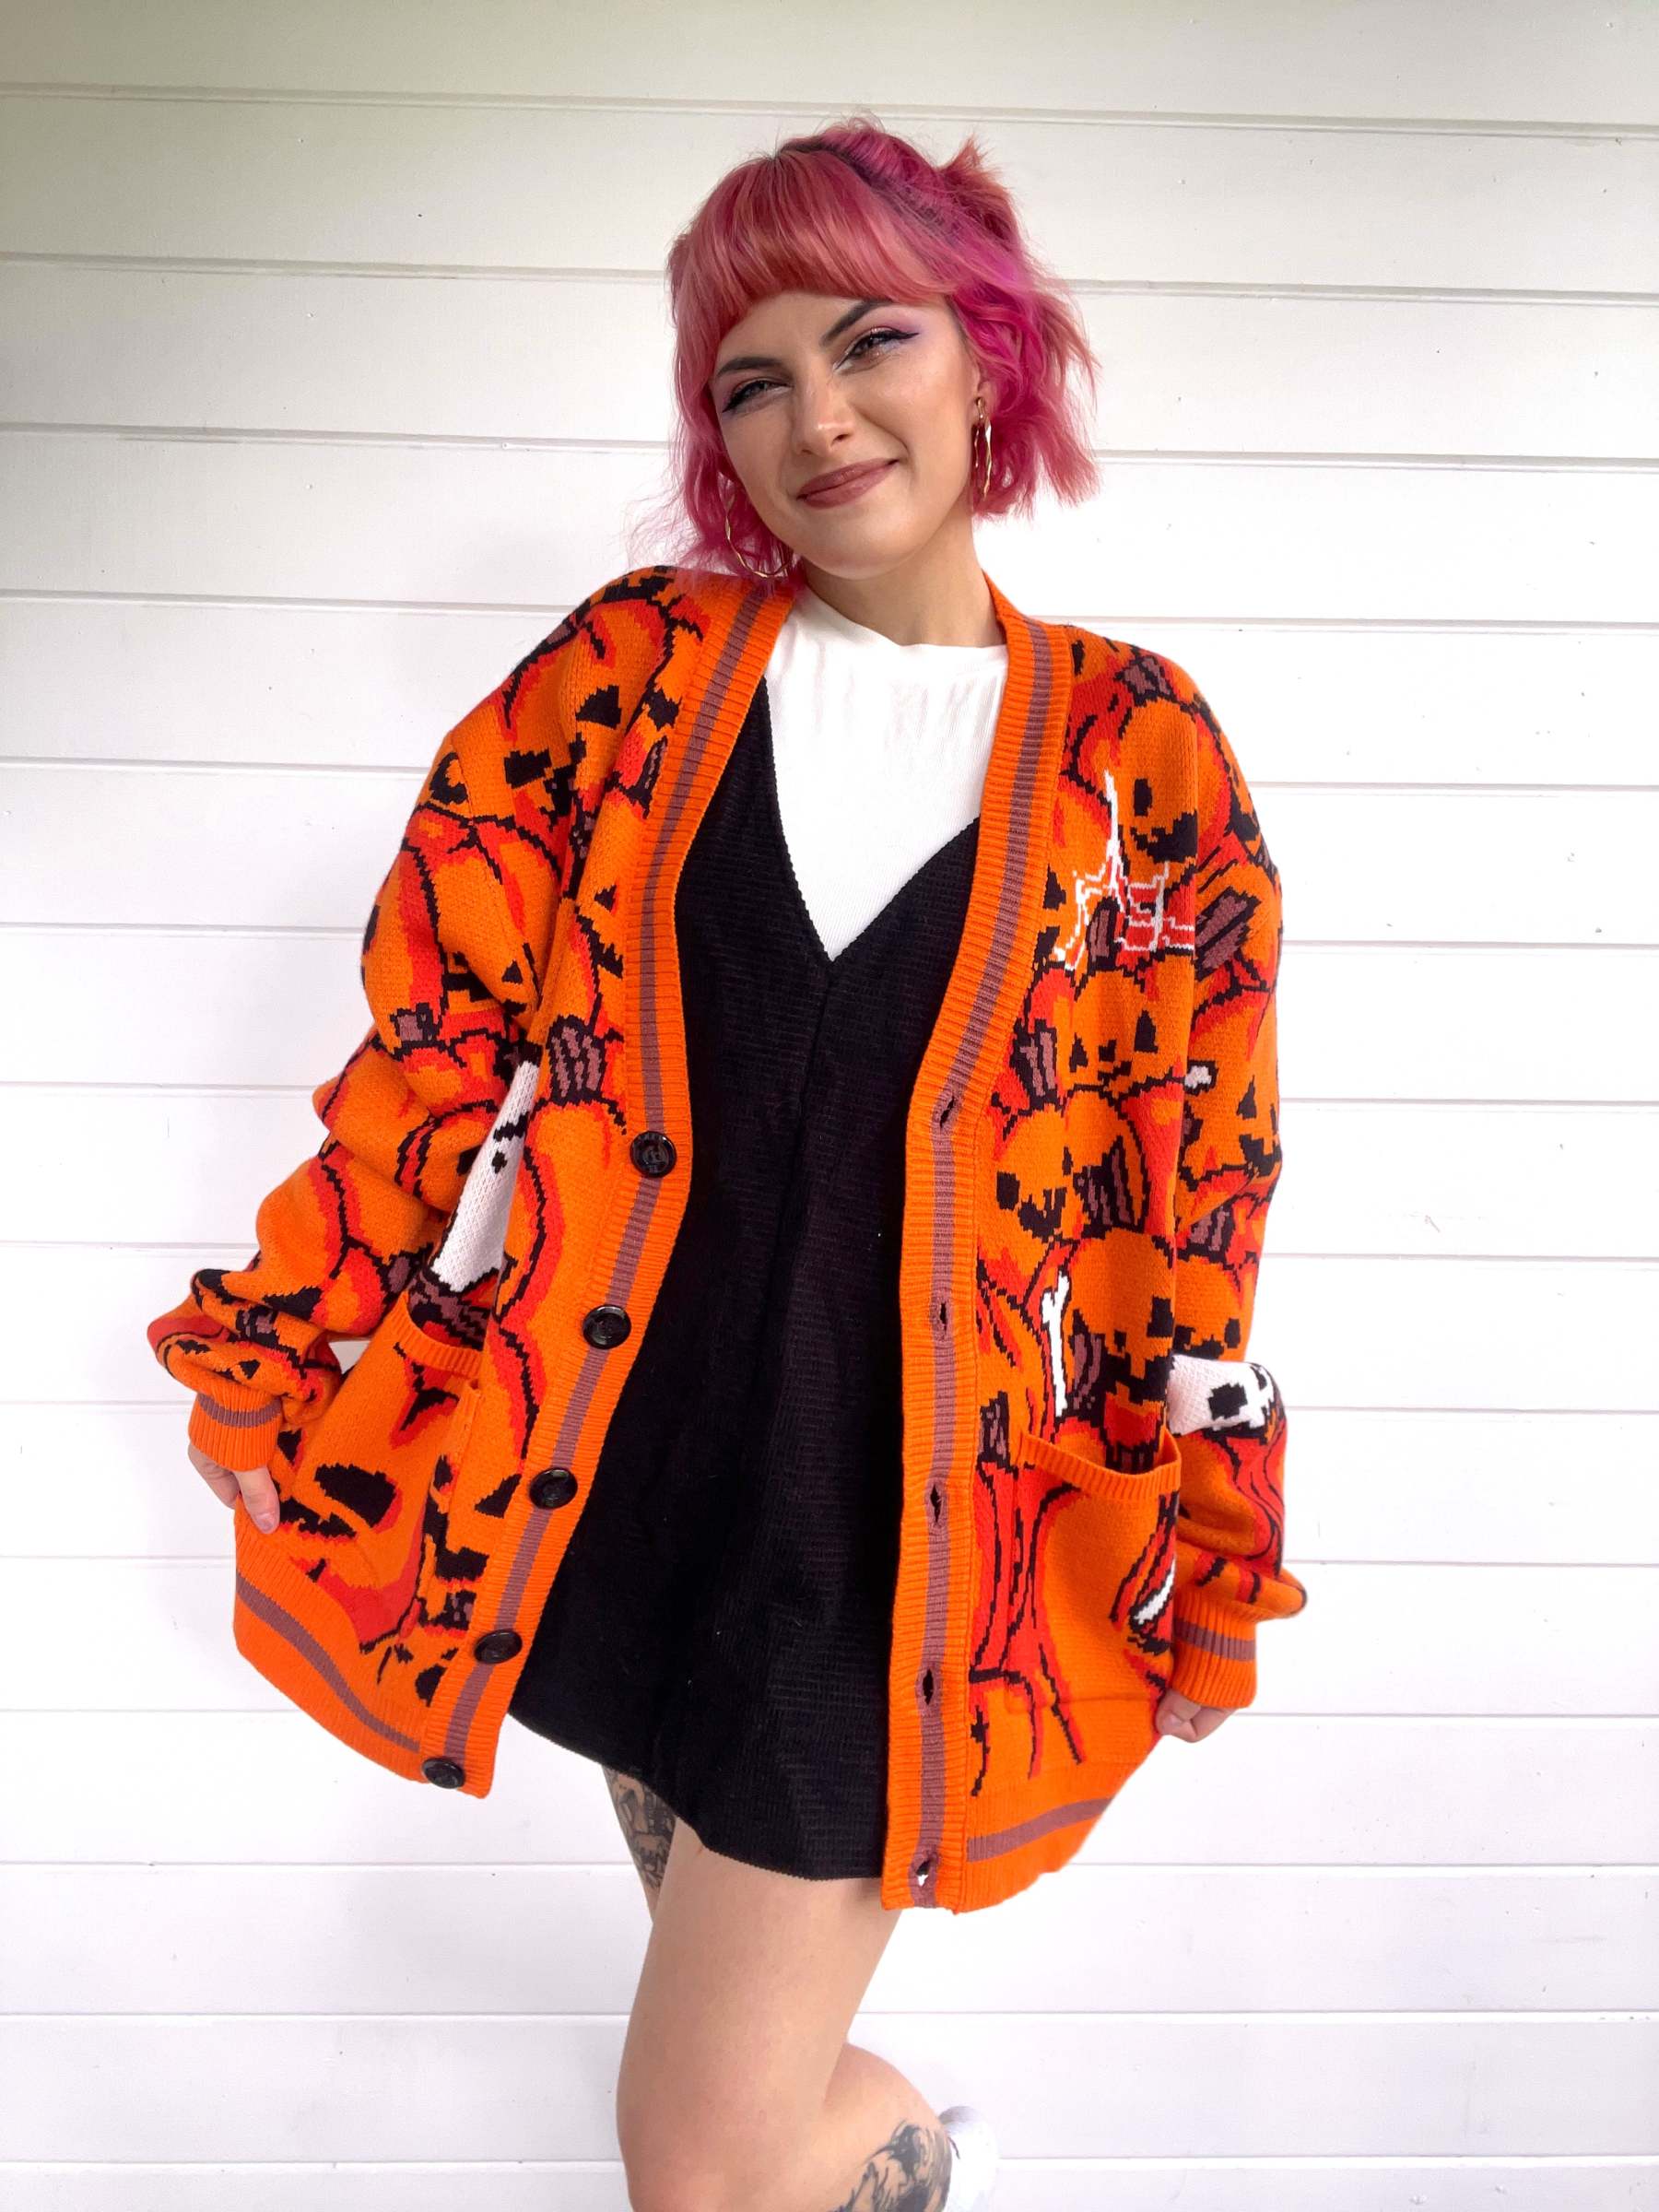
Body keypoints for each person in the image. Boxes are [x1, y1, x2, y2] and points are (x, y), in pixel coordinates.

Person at [151, 113, 1305, 2212]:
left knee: (695, 2160)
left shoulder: (1143, 759)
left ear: (987, 356)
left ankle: (909, 2159)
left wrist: (1205, 1544)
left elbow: (1188, 1196)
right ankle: (901, 2160)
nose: (818, 419)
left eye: (871, 342)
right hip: (620, 1476)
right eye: (751, 382)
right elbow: (437, 1046)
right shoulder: (627, 679)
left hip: (896, 1549)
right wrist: (285, 1345)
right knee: (736, 2098)